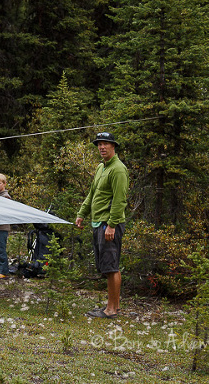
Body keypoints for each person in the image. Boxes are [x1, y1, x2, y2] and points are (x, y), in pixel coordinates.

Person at [75, 132, 128, 319]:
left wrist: (112, 225)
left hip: (109, 224)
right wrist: (82, 213)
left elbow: (120, 200)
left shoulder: (118, 169)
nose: (102, 147)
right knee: (106, 265)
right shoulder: (101, 167)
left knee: (112, 266)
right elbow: (92, 193)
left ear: (114, 146)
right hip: (98, 222)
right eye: (99, 144)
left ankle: (112, 309)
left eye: (106, 144)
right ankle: (111, 306)